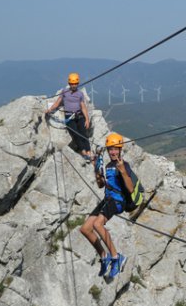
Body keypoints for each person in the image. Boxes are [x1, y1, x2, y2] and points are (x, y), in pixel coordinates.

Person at [79, 132, 132, 278]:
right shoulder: (108, 165)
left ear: (120, 149)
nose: (113, 152)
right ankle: (104, 256)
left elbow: (130, 188)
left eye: (116, 149)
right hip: (107, 199)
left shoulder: (123, 165)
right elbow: (101, 184)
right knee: (85, 229)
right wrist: (96, 170)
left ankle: (116, 257)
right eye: (111, 149)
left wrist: (123, 171)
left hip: (117, 201)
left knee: (97, 224)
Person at [45, 72, 92, 160]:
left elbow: (83, 107)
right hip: (69, 117)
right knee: (76, 134)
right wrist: (49, 110)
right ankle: (83, 151)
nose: (73, 85)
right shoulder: (64, 92)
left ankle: (89, 151)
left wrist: (87, 119)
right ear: (69, 83)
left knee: (83, 134)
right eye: (72, 84)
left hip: (79, 116)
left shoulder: (80, 94)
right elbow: (57, 103)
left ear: (77, 83)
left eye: (75, 83)